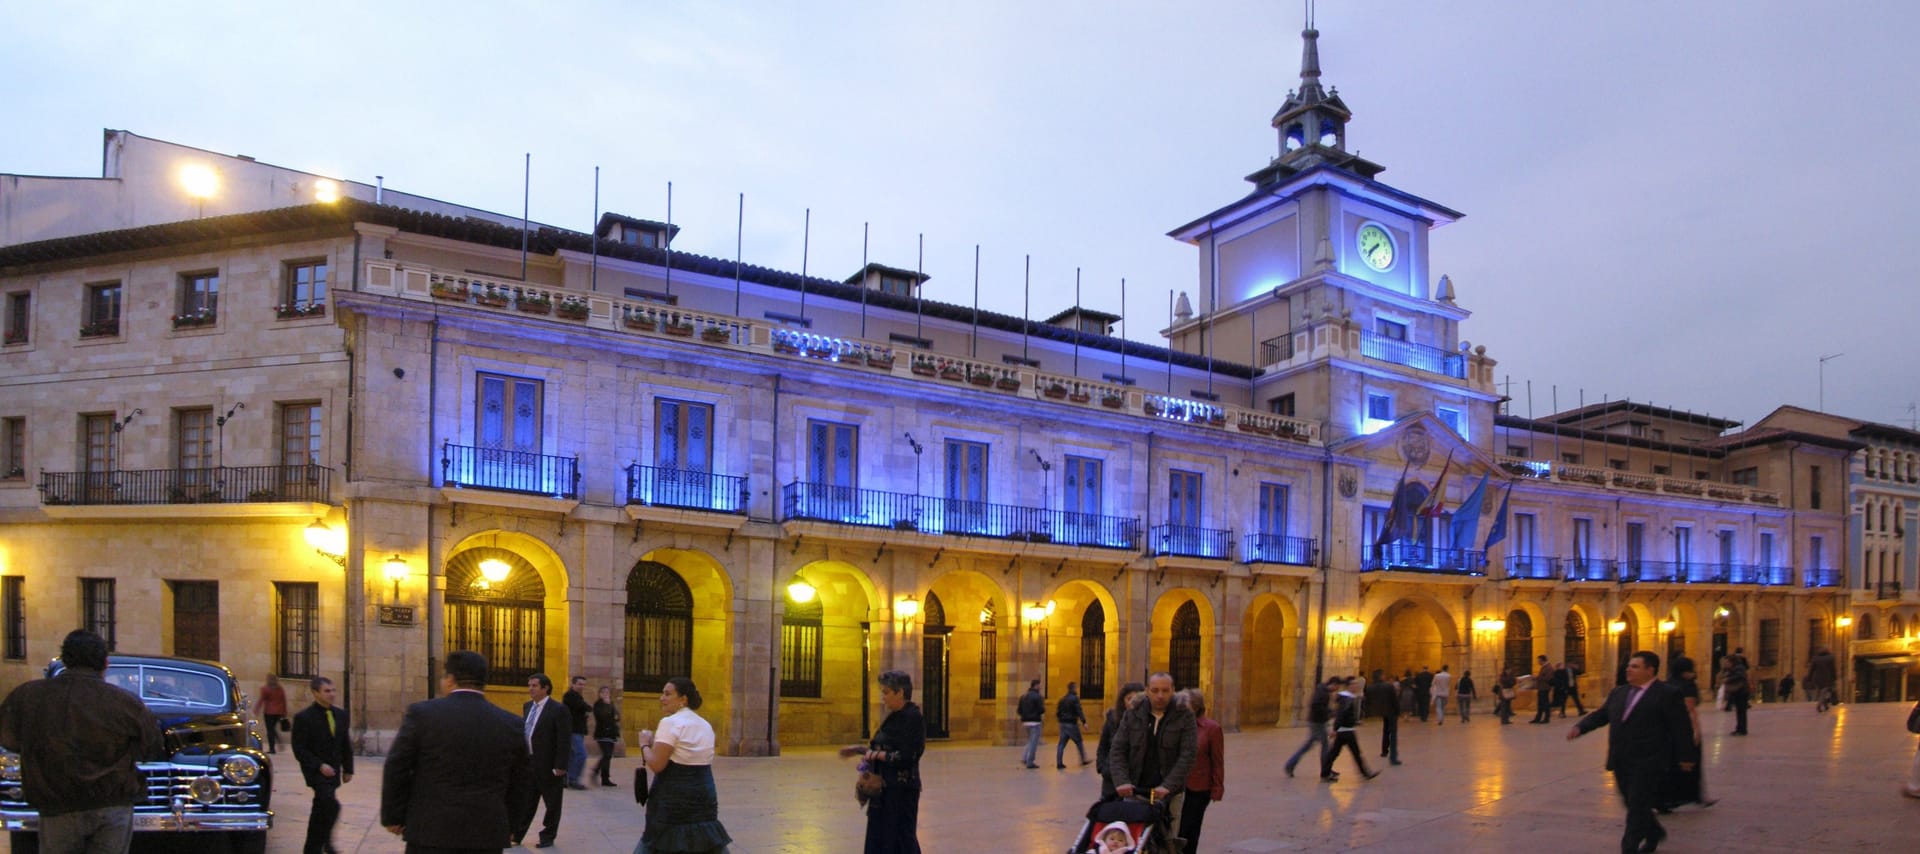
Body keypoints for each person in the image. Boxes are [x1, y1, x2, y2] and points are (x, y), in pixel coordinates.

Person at [0, 629, 162, 854]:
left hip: (57, 804)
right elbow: (151, 748)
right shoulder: (125, 702)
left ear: (65, 659)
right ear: (105, 663)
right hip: (111, 804)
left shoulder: (27, 697)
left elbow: (9, 739)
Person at [380, 649, 533, 852]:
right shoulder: (511, 723)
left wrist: (393, 817)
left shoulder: (423, 714)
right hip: (486, 834)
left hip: (430, 831)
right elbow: (520, 780)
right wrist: (513, 825)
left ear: (450, 679)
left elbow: (397, 766)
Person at [1566, 651, 1693, 854]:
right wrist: (1581, 727)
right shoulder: (1620, 692)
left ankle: (1629, 848)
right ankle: (1654, 832)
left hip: (1650, 760)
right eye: (1629, 666)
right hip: (1621, 758)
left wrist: (1686, 756)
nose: (1628, 669)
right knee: (1631, 801)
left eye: (1635, 666)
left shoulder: (1668, 694)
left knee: (1636, 807)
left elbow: (1682, 727)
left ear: (1650, 670)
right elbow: (1602, 715)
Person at [635, 677, 732, 854]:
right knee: (705, 839)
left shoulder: (670, 722)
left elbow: (656, 764)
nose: (661, 698)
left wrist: (644, 744)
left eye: (667, 694)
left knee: (656, 840)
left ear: (683, 699)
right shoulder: (705, 724)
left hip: (674, 796)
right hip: (704, 792)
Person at [1108, 672, 1198, 840]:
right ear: (1147, 691)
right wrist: (1122, 781)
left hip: (1169, 794)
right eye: (1155, 690)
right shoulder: (1133, 714)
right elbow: (1118, 750)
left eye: (1165, 690)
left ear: (1173, 691)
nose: (1160, 696)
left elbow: (1188, 754)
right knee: (1133, 840)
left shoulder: (1185, 716)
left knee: (1167, 841)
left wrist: (1168, 785)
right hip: (1136, 790)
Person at [852, 669, 925, 854]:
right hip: (884, 791)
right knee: (879, 839)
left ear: (900, 692)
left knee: (901, 839)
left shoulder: (912, 717)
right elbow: (881, 746)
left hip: (901, 792)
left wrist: (876, 756)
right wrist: (863, 753)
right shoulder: (893, 716)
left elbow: (909, 756)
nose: (883, 697)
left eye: (886, 692)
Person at [292, 675, 354, 854]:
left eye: (333, 690)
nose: (332, 694)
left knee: (322, 808)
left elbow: (345, 743)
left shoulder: (341, 715)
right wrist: (319, 765)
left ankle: (319, 845)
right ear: (315, 693)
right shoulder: (304, 718)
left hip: (333, 770)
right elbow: (300, 749)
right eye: (327, 691)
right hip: (316, 771)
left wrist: (348, 768)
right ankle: (319, 845)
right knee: (330, 804)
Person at [514, 673, 572, 849]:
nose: (530, 688)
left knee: (552, 803)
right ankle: (517, 834)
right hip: (529, 763)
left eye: (534, 685)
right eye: (529, 685)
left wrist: (561, 765)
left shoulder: (558, 710)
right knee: (526, 801)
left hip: (549, 765)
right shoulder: (527, 707)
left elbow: (563, 739)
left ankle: (547, 836)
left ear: (545, 688)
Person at [1659, 656, 1714, 812]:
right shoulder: (1688, 686)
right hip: (1684, 729)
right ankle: (1694, 796)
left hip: (1668, 730)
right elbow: (1689, 709)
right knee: (1692, 764)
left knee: (1672, 764)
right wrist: (1695, 730)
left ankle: (1669, 798)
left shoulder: (1667, 684)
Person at [1177, 689, 1225, 854]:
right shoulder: (1177, 725)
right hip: (1176, 786)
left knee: (1190, 829)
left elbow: (1217, 760)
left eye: (1186, 705)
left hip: (1199, 787)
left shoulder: (1212, 728)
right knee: (1176, 828)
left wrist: (1217, 787)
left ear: (1196, 707)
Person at [1320, 677, 1378, 782]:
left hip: (1345, 730)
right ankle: (1365, 773)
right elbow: (1340, 715)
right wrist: (1335, 729)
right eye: (1354, 684)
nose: (1356, 686)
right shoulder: (1347, 699)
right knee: (1354, 753)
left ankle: (1325, 772)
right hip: (1346, 730)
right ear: (1349, 686)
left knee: (1334, 753)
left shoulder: (1347, 698)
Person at [1284, 677, 1338, 777]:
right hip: (1318, 723)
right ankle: (1326, 771)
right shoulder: (1322, 692)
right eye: (1336, 686)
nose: (1336, 689)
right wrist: (1329, 712)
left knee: (1308, 745)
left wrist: (1328, 712)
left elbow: (1319, 706)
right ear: (1333, 684)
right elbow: (1316, 706)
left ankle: (1290, 764)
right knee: (1325, 746)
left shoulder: (1322, 690)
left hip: (1317, 722)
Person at [1096, 682, 1145, 791]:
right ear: (1123, 701)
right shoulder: (1113, 719)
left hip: (1135, 779)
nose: (1133, 702)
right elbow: (1103, 746)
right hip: (1111, 776)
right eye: (1129, 698)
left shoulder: (1147, 721)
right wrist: (1102, 767)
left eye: (1137, 699)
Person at [1363, 669, 1402, 766]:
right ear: (1381, 676)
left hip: (1382, 711)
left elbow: (1367, 701)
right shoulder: (1388, 686)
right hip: (1391, 711)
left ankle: (1384, 751)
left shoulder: (1369, 687)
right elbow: (1394, 700)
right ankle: (1393, 757)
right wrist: (1398, 711)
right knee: (1393, 733)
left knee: (1385, 731)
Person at [562, 676, 592, 790]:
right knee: (581, 754)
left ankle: (567, 778)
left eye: (583, 684)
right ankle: (573, 779)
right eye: (580, 684)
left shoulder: (577, 696)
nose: (582, 686)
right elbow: (584, 707)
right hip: (573, 730)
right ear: (573, 684)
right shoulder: (570, 696)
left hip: (576, 730)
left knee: (572, 755)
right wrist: (586, 709)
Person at [1055, 681, 1089, 769]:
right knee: (1079, 741)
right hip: (1072, 724)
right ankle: (1083, 759)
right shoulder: (1075, 698)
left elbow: (1058, 712)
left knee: (1061, 743)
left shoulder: (1062, 699)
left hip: (1063, 723)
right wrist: (1084, 722)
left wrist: (1060, 720)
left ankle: (1059, 762)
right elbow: (1079, 711)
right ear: (1073, 688)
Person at [593, 685, 621, 786]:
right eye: (604, 692)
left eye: (607, 692)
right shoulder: (598, 704)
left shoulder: (611, 704)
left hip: (611, 733)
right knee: (607, 754)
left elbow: (617, 717)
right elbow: (601, 716)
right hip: (602, 733)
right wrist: (608, 707)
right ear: (600, 694)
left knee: (607, 756)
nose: (606, 694)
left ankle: (601, 775)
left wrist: (613, 712)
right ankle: (602, 775)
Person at [256, 673, 289, 754]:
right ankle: (278, 741)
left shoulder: (265, 689)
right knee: (272, 729)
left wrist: (257, 708)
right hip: (278, 712)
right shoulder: (280, 689)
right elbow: (283, 700)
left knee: (270, 730)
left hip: (269, 712)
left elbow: (261, 699)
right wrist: (284, 712)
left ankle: (272, 748)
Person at [1722, 648, 1751, 736]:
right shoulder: (1736, 667)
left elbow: (1740, 676)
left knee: (1741, 711)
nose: (1726, 663)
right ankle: (1740, 728)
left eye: (1727, 662)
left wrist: (1728, 678)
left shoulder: (1739, 667)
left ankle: (1742, 730)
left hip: (1741, 691)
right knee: (1740, 711)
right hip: (1740, 691)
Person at [1017, 678, 1045, 769]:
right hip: (1035, 722)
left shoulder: (1023, 696)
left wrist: (1025, 716)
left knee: (1030, 740)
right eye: (1039, 685)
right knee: (1034, 742)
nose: (1040, 687)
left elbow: (1019, 710)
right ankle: (1030, 761)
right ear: (1036, 686)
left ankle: (1024, 757)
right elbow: (1041, 710)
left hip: (1025, 722)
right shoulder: (1038, 697)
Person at [1807, 646, 1838, 712]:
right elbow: (1833, 669)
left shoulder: (1815, 658)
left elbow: (1811, 669)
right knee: (1824, 692)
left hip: (1817, 678)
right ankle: (1819, 705)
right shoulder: (1831, 658)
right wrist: (1834, 677)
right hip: (1827, 678)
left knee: (1822, 692)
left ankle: (1825, 706)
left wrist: (1809, 678)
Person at [1531, 656, 1555, 724]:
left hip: (1545, 688)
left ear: (1542, 660)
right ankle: (1538, 718)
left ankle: (1546, 718)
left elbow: (1548, 678)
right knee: (1540, 704)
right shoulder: (1544, 667)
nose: (1538, 662)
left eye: (1539, 660)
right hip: (1541, 688)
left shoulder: (1549, 668)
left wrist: (1537, 677)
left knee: (1545, 704)